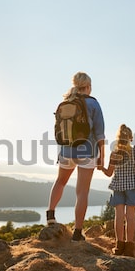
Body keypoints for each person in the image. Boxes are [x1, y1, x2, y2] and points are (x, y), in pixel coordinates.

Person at [46, 72, 105, 242]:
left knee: (60, 181)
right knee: (82, 191)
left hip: (66, 150)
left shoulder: (65, 102)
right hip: (87, 151)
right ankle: (78, 233)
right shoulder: (93, 103)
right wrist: (102, 155)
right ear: (88, 86)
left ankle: (50, 215)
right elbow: (99, 133)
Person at [101, 124, 135, 257]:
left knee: (119, 217)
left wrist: (101, 168)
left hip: (118, 187)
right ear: (131, 138)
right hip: (133, 187)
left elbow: (109, 173)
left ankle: (119, 245)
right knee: (130, 217)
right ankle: (129, 247)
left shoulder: (114, 154)